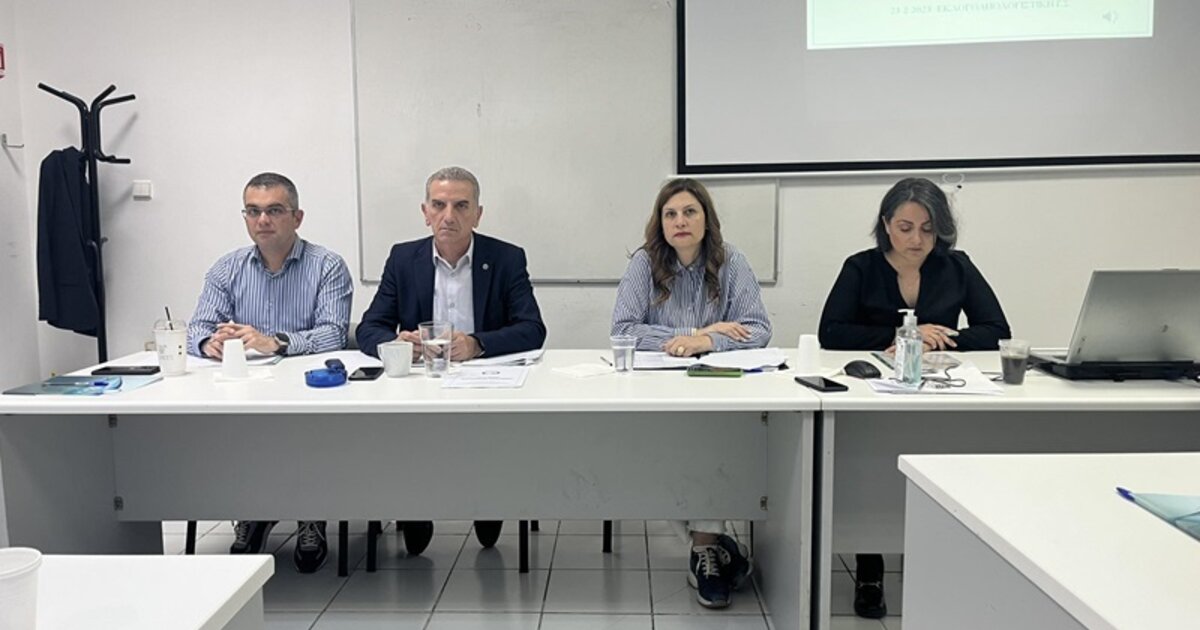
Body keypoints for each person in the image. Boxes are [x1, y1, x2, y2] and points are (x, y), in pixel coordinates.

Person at [818, 176, 1011, 618]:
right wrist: (903, 334)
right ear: (886, 224)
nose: (916, 240)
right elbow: (832, 332)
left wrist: (942, 338)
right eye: (905, 228)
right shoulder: (861, 267)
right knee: (872, 468)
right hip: (873, 395)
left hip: (939, 395)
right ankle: (870, 565)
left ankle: (943, 557)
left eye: (927, 229)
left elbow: (997, 330)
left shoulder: (957, 266)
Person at [357, 166, 547, 555]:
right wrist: (397, 345)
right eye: (439, 205)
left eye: (461, 206)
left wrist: (477, 344)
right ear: (425, 212)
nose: (449, 216)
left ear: (478, 213)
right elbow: (369, 327)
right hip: (421, 384)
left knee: (486, 439)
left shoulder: (506, 258)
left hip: (486, 381)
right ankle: (416, 509)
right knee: (410, 436)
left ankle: (487, 500)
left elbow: (532, 329)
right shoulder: (403, 258)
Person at [611, 177, 770, 609]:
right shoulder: (644, 264)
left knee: (708, 442)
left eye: (689, 212)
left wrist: (706, 343)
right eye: (670, 214)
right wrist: (698, 332)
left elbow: (758, 329)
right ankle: (716, 546)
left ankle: (704, 550)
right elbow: (622, 331)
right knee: (663, 455)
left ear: (706, 219)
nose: (680, 221)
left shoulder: (731, 261)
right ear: (660, 223)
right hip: (654, 389)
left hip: (715, 388)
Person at [187, 172, 353, 573]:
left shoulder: (327, 266)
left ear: (297, 217)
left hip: (310, 390)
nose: (263, 220)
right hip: (246, 388)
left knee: (306, 433)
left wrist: (274, 342)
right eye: (253, 211)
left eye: (275, 210)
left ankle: (310, 515)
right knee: (232, 431)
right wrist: (209, 343)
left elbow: (333, 334)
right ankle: (252, 509)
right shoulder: (227, 268)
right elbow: (197, 327)